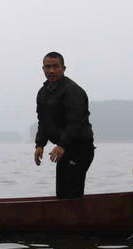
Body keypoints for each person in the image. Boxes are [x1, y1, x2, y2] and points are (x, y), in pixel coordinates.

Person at [33, 51, 96, 199]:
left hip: (80, 149)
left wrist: (62, 145)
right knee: (62, 194)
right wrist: (39, 144)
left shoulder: (72, 90)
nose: (51, 70)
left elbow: (76, 122)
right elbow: (43, 121)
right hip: (64, 150)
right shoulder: (43, 93)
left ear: (63, 68)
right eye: (47, 67)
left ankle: (78, 213)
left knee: (72, 194)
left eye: (55, 66)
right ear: (43, 69)